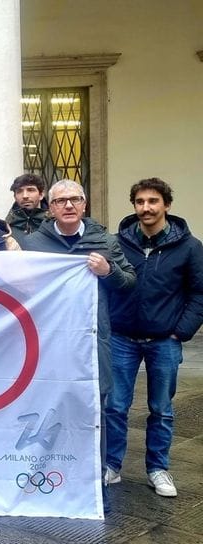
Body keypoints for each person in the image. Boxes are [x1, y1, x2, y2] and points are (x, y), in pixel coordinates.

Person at [21, 180, 136, 505]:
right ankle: (45, 476)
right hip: (48, 346)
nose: (68, 205)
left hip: (91, 345)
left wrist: (108, 270)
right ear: (51, 207)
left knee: (91, 411)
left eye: (75, 199)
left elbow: (129, 283)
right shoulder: (33, 244)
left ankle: (91, 480)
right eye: (61, 201)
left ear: (84, 204)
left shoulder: (104, 240)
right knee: (46, 410)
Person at [105, 178, 203, 497]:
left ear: (166, 205)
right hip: (121, 337)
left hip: (164, 341)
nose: (146, 207)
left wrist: (180, 331)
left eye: (153, 201)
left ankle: (158, 468)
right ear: (133, 205)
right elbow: (105, 285)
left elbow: (199, 293)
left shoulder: (189, 247)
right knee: (116, 405)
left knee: (161, 408)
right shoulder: (116, 243)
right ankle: (112, 465)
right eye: (140, 202)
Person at [6, 173, 49, 244]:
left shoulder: (55, 224)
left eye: (30, 190)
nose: (25, 196)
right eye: (19, 191)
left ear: (41, 195)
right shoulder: (6, 228)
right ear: (15, 197)